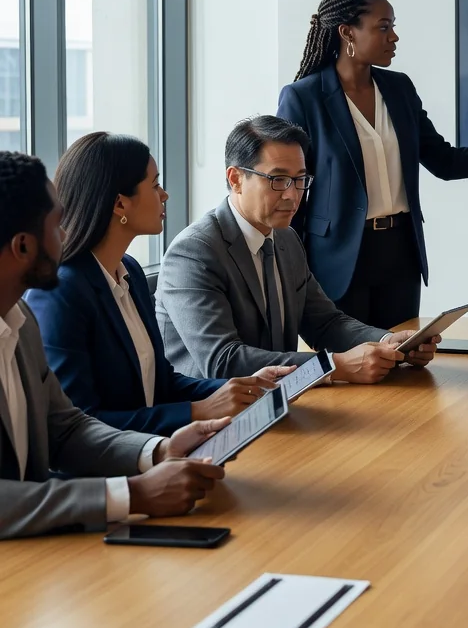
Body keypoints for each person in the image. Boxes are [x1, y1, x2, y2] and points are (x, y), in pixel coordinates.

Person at [276, 0, 468, 329]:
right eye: (383, 27)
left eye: (393, 26)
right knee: (354, 367)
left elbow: (445, 161)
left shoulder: (399, 88)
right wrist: (288, 270)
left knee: (403, 361)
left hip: (400, 253)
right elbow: (290, 188)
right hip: (337, 258)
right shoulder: (304, 97)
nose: (394, 37)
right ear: (348, 33)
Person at [0, 151, 228, 539]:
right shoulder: (53, 300)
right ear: (23, 247)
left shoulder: (20, 320)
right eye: (57, 226)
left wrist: (158, 451)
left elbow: (65, 428)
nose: (67, 235)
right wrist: (132, 494)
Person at [25, 133, 293, 436]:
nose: (164, 195)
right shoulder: (62, 292)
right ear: (119, 204)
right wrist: (199, 411)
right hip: (108, 476)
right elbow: (81, 425)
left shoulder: (130, 272)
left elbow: (160, 384)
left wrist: (239, 388)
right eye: (154, 185)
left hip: (158, 454)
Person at [157, 115, 438, 381]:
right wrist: (333, 367)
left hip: (277, 401)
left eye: (300, 180)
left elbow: (325, 323)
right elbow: (222, 362)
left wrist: (387, 343)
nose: (292, 195)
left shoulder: (286, 239)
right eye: (277, 180)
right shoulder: (194, 252)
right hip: (211, 416)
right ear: (236, 179)